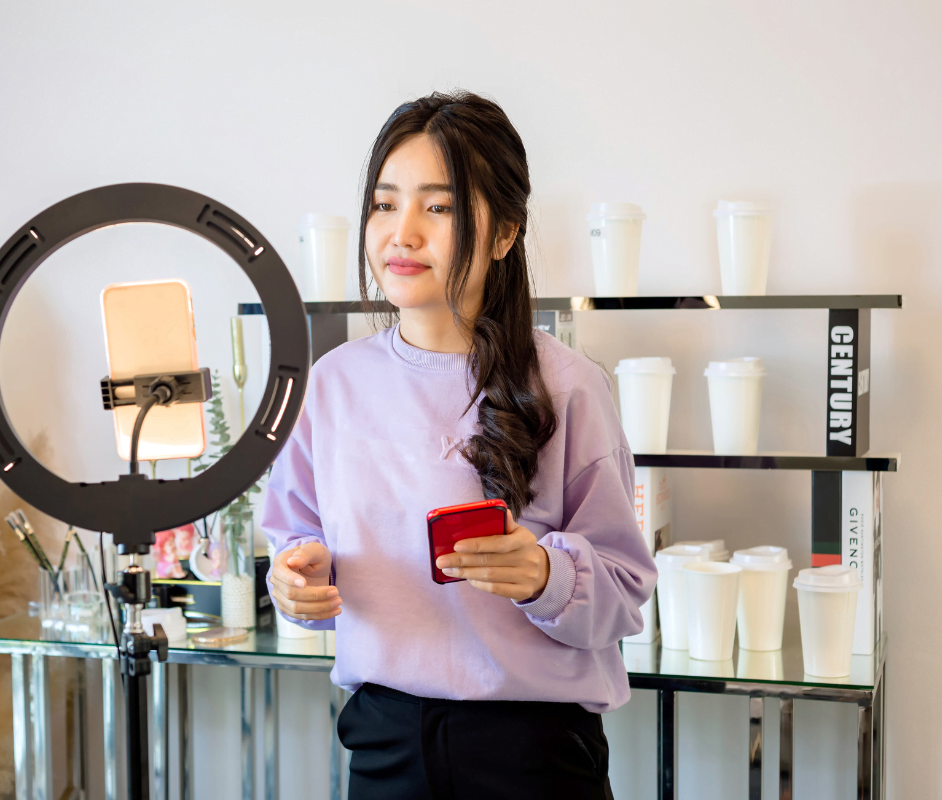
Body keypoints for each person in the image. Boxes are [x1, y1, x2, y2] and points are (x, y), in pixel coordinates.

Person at [260, 90, 657, 800]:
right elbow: (292, 543)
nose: (401, 233)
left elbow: (627, 595)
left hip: (534, 754)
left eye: (437, 208)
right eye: (385, 204)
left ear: (504, 234)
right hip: (382, 744)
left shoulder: (568, 388)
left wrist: (543, 574)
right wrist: (294, 580)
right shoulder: (331, 385)